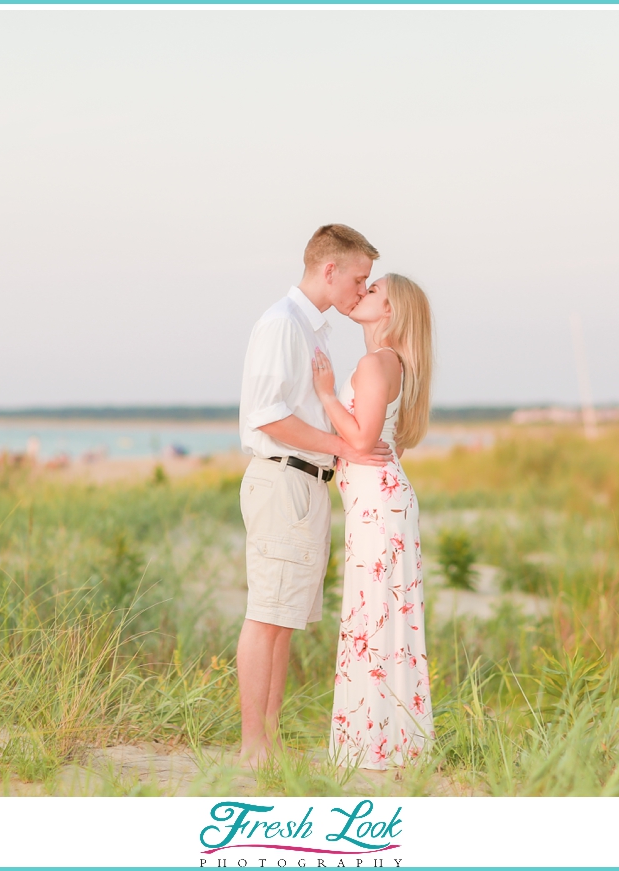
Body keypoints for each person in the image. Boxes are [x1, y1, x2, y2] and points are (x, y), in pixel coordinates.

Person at [236, 224, 393, 767]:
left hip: (306, 483)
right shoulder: (283, 324)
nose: (361, 289)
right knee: (266, 615)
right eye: (359, 277)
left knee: (284, 619)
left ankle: (270, 743)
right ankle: (253, 749)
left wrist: (339, 451)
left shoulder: (314, 332)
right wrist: (344, 447)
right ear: (330, 270)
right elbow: (268, 415)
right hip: (283, 478)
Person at [312, 273, 435, 770]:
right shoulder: (390, 364)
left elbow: (363, 443)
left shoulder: (376, 362)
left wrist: (324, 395)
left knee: (374, 619)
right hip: (379, 503)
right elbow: (387, 441)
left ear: (390, 311)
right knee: (379, 619)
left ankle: (375, 746)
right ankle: (385, 741)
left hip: (378, 507)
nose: (363, 293)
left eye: (374, 290)